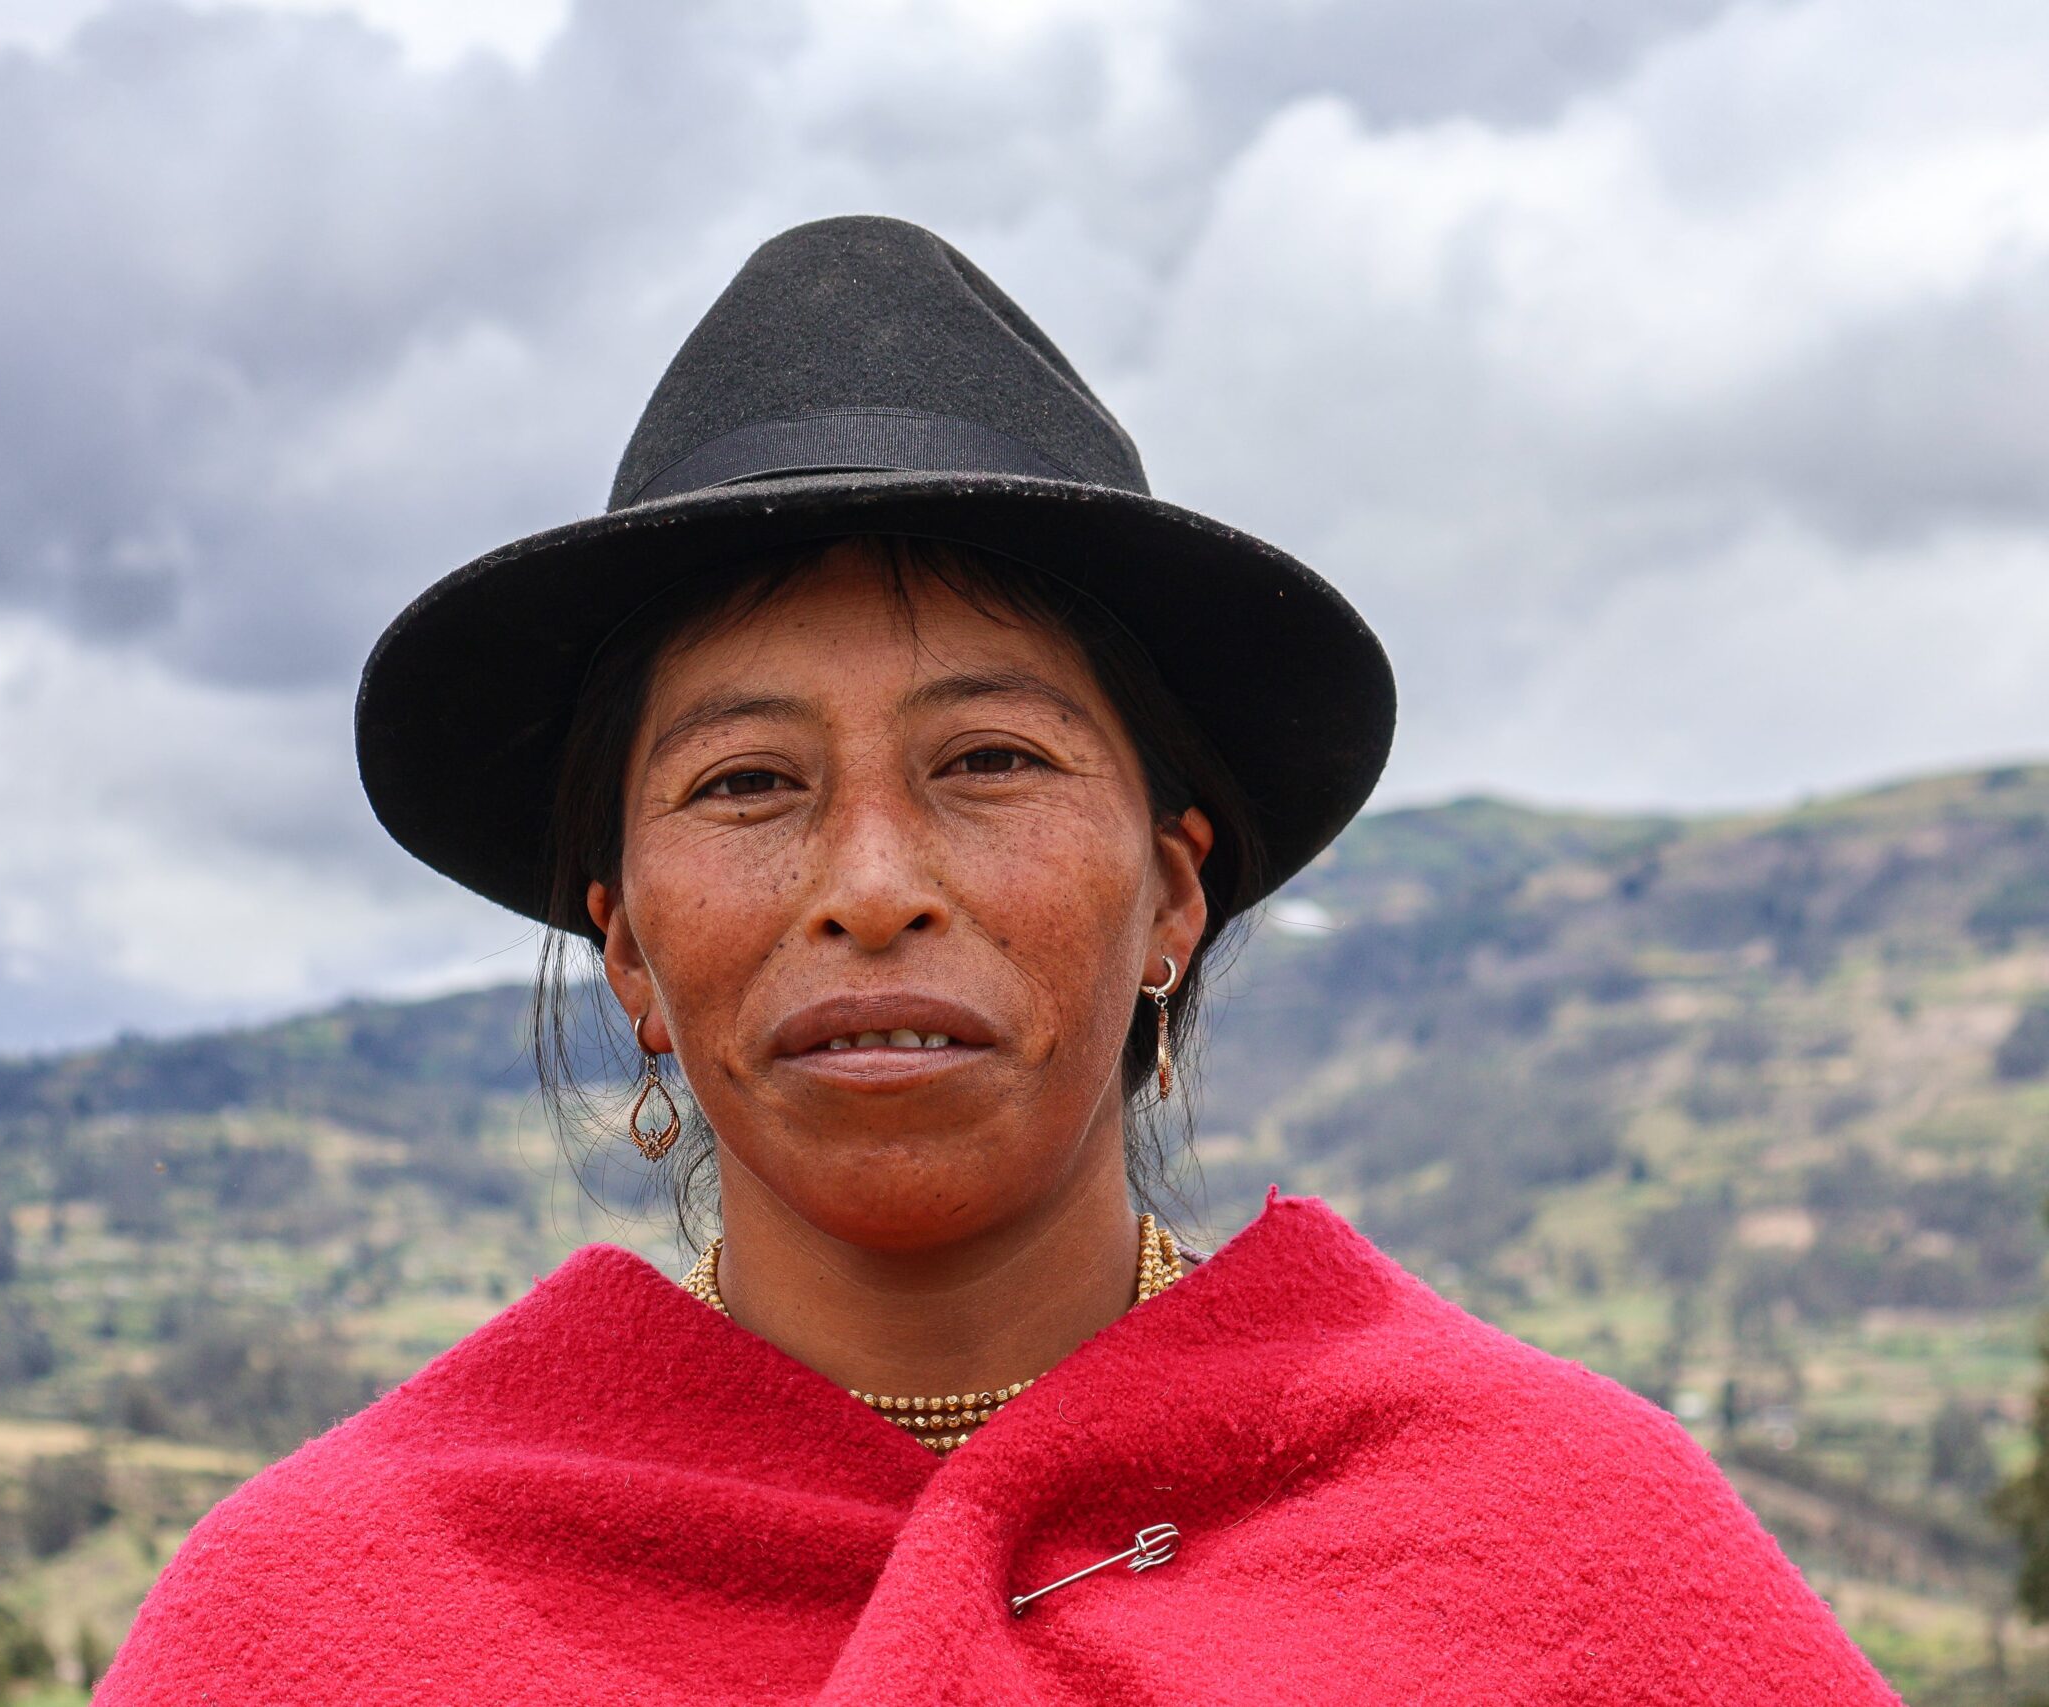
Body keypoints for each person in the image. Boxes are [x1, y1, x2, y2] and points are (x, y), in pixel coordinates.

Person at [94, 216, 1895, 1704]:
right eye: (746, 783)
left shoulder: (1567, 1553)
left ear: (1174, 901)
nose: (871, 886)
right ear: (629, 948)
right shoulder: (326, 1615)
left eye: (990, 763)